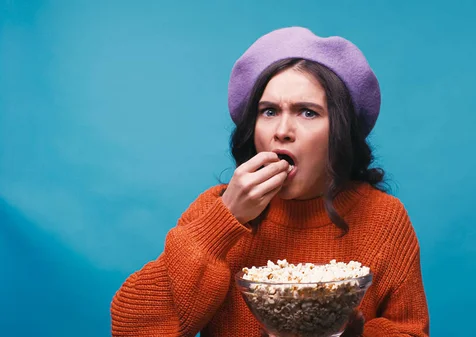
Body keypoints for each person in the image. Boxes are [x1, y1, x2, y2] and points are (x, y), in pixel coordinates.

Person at [111, 26, 429, 337]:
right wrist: (223, 221)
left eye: (307, 112)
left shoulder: (383, 219)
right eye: (269, 111)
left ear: (340, 132)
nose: (282, 131)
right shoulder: (215, 209)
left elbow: (410, 331)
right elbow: (131, 329)